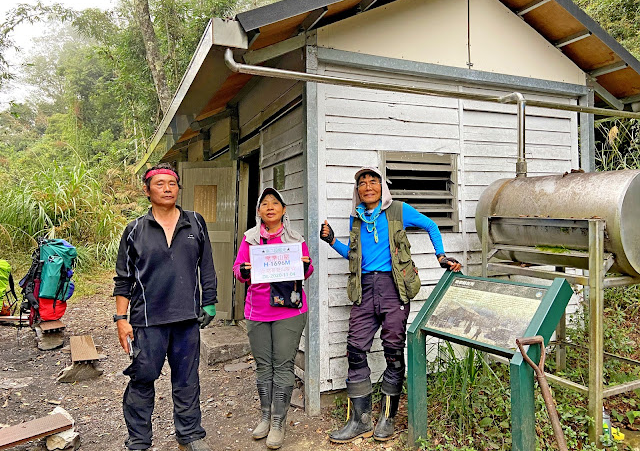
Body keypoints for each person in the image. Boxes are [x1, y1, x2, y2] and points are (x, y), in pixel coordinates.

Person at [321, 166, 461, 443]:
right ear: (357, 191)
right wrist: (331, 241)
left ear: (382, 187)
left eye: (373, 181)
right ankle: (359, 420)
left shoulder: (398, 210)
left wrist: (441, 256)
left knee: (393, 351)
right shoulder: (357, 218)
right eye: (362, 183)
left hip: (393, 288)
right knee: (355, 349)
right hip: (365, 289)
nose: (367, 186)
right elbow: (353, 256)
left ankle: (387, 417)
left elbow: (431, 225)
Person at [113, 163, 217, 451]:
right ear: (147, 191)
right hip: (147, 319)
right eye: (159, 184)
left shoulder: (194, 222)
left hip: (186, 317)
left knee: (186, 378)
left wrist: (209, 301)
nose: (167, 188)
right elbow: (123, 278)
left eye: (172, 183)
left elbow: (205, 265)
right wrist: (121, 319)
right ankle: (138, 440)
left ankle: (190, 434)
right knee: (143, 377)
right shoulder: (135, 230)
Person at [233, 187, 313, 450]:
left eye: (275, 203)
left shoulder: (294, 238)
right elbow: (238, 270)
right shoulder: (250, 239)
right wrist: (244, 269)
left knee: (283, 364)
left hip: (289, 311)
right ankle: (265, 417)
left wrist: (303, 265)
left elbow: (308, 268)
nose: (269, 207)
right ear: (259, 211)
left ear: (283, 210)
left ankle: (279, 422)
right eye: (264, 204)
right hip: (257, 310)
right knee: (263, 365)